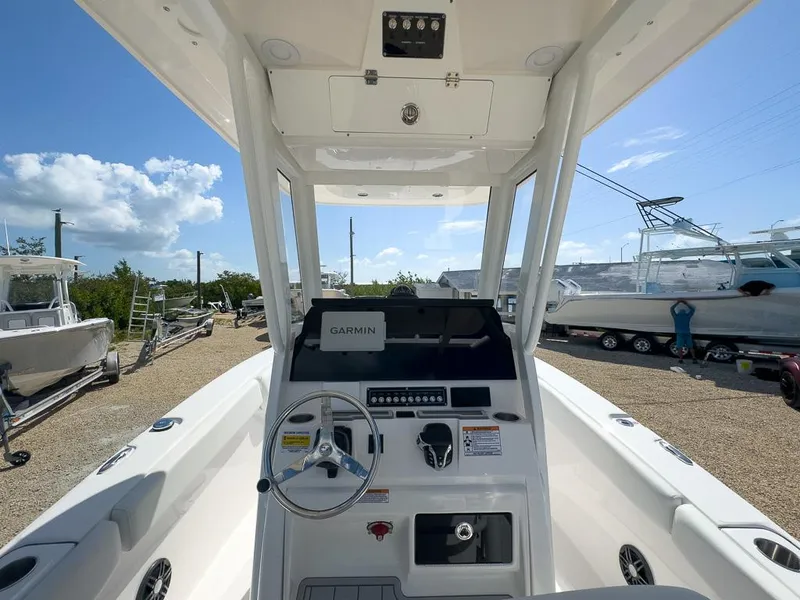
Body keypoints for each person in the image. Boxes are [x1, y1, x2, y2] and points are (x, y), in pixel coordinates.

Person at [670, 299, 697, 364]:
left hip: (679, 334)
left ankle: (681, 359)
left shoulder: (676, 317)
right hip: (687, 333)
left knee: (680, 347)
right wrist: (686, 303)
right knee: (691, 347)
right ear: (685, 312)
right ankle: (694, 358)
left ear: (679, 313)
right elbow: (693, 309)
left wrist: (677, 302)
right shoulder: (687, 316)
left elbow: (671, 309)